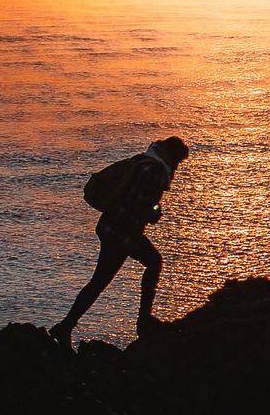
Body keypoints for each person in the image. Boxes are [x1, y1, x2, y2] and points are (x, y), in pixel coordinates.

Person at [51, 137, 189, 347]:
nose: (178, 166)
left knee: (100, 280)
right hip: (123, 232)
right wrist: (155, 212)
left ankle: (67, 325)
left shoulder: (143, 160)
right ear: (173, 157)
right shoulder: (155, 172)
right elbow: (143, 206)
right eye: (179, 160)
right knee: (152, 264)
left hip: (111, 226)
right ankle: (143, 322)